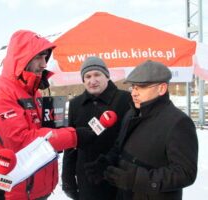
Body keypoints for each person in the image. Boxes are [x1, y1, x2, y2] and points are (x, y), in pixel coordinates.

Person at [0, 30, 95, 200]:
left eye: (45, 57)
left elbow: (44, 131)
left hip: (38, 188)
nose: (43, 64)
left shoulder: (34, 93)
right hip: (12, 191)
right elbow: (20, 141)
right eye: (38, 57)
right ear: (22, 58)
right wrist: (74, 136)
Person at [85, 60, 198, 200]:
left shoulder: (179, 122)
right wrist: (107, 162)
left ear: (162, 88)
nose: (134, 93)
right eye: (133, 87)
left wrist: (138, 179)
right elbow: (119, 147)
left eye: (142, 87)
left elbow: (186, 173)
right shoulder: (131, 113)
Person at [61, 56, 132, 200]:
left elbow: (132, 139)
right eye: (87, 76)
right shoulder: (76, 104)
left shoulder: (125, 100)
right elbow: (70, 145)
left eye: (97, 74)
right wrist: (67, 178)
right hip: (87, 180)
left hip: (118, 178)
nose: (92, 81)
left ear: (107, 76)